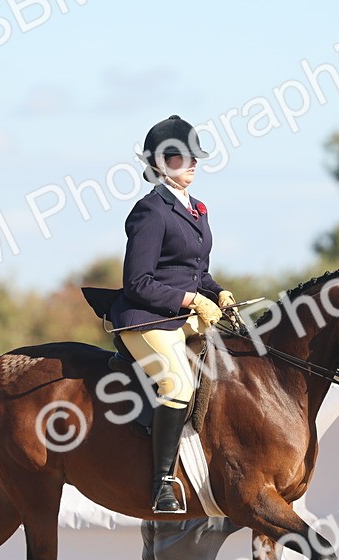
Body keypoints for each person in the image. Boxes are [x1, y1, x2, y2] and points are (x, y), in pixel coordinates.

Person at [108, 115, 235, 514]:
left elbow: (198, 272)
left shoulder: (197, 209)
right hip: (147, 318)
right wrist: (191, 301)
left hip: (185, 316)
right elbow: (138, 283)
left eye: (196, 157)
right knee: (178, 384)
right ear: (160, 164)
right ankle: (162, 482)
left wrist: (219, 293)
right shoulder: (150, 211)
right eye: (183, 157)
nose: (193, 163)